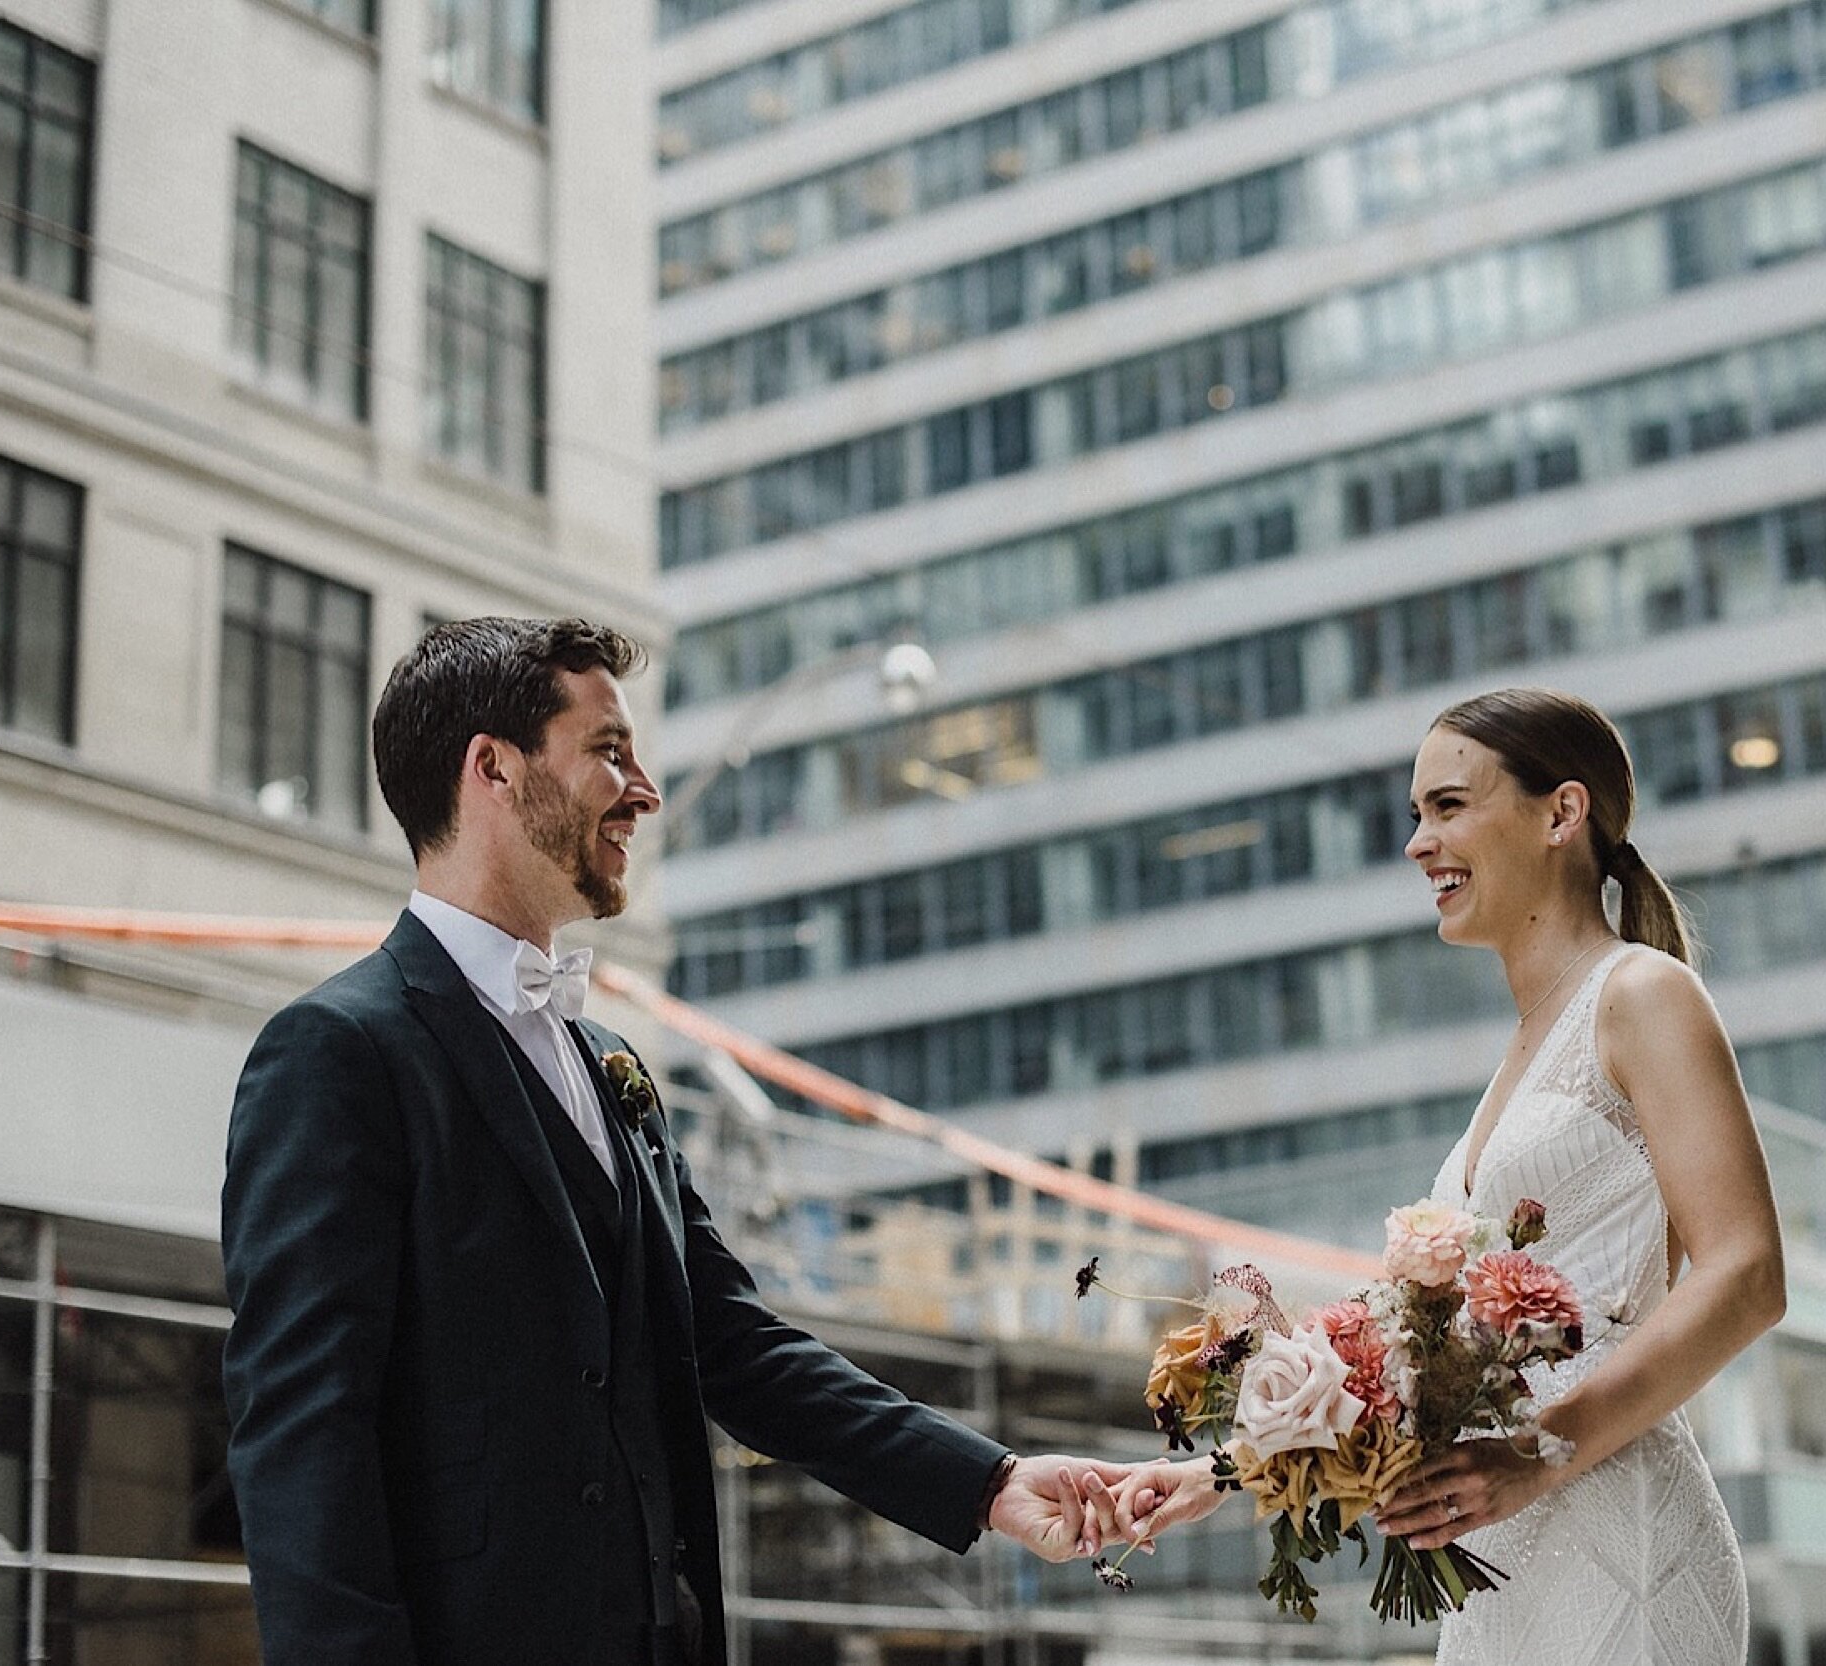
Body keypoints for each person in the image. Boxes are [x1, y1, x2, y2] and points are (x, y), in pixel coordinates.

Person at [221, 618, 1143, 1666]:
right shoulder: (337, 1052)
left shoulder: (613, 1062)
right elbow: (301, 1434)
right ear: (493, 768)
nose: (645, 790)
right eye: (609, 751)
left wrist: (988, 1481)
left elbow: (731, 1342)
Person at [1126, 687, 1786, 1664]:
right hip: (1502, 1557)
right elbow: (1402, 1349)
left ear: (1561, 813)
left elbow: (1747, 1274)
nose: (1416, 842)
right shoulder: (1524, 1050)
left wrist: (1535, 1449)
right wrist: (1214, 1474)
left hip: (1618, 1540)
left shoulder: (1641, 992)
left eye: (1447, 806)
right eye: (1415, 814)